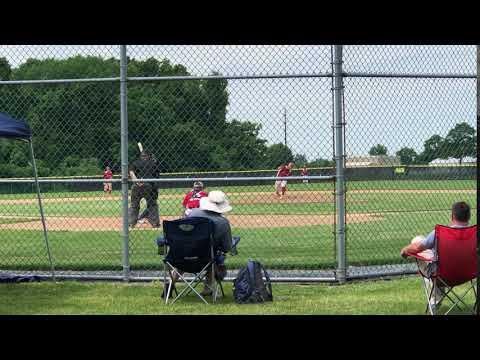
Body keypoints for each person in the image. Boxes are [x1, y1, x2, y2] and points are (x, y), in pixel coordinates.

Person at [400, 201, 472, 310]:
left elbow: (417, 248)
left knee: (417, 240)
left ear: (452, 216)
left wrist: (404, 251)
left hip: (441, 276)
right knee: (439, 262)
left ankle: (436, 298)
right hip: (467, 275)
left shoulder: (440, 233)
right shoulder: (474, 234)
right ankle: (436, 297)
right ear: (469, 216)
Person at [162, 190, 233, 298]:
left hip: (181, 257)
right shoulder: (223, 223)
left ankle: (170, 283)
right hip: (206, 259)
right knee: (213, 254)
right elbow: (227, 247)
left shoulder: (192, 213)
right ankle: (207, 288)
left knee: (186, 250)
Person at [128, 151, 160, 228]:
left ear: (141, 156)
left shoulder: (136, 163)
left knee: (134, 205)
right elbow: (157, 177)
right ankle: (155, 223)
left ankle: (131, 223)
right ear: (148, 156)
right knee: (152, 205)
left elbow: (131, 172)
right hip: (149, 186)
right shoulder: (153, 163)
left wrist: (136, 181)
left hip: (137, 185)